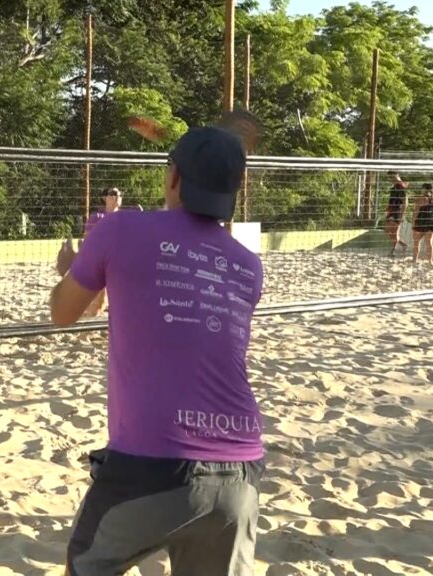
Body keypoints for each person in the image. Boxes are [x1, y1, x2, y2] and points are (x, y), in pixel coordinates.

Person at [50, 125, 265, 576]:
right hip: (240, 469)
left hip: (150, 463)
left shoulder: (119, 228)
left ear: (172, 179)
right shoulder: (249, 266)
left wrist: (70, 268)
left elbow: (64, 313)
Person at [81, 187, 123, 316]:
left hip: (121, 265)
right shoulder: (97, 217)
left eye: (119, 194)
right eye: (113, 194)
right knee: (100, 302)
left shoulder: (125, 218)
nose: (117, 196)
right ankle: (85, 331)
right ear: (105, 198)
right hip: (102, 263)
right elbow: (87, 241)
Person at [411, 183, 433, 264]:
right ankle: (430, 261)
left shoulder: (421, 199)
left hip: (421, 221)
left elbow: (416, 211)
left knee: (416, 242)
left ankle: (415, 259)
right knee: (429, 242)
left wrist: (413, 222)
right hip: (431, 221)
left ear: (425, 189)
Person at [384, 171, 409, 256]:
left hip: (397, 211)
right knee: (387, 230)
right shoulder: (394, 186)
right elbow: (391, 200)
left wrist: (402, 213)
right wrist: (387, 209)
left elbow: (405, 200)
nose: (390, 179)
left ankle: (393, 251)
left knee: (394, 232)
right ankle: (403, 245)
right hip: (391, 210)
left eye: (391, 176)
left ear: (396, 175)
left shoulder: (401, 186)